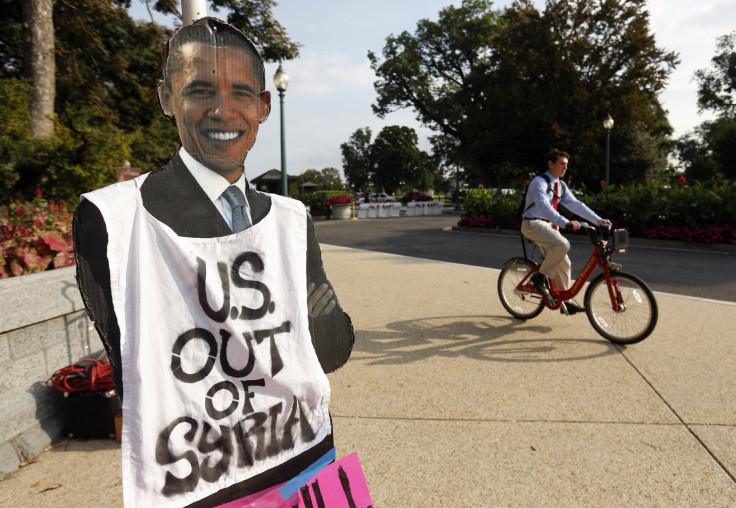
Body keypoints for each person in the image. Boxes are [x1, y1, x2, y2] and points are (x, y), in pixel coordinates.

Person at [73, 17, 354, 507]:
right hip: (203, 484)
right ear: (166, 97)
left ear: (265, 106)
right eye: (200, 90)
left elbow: (332, 348)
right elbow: (140, 380)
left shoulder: (290, 217)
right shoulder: (113, 219)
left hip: (307, 458)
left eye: (243, 93)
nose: (224, 111)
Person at [520, 149, 611, 315]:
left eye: (566, 165)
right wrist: (564, 222)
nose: (565, 168)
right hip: (533, 224)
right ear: (551, 163)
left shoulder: (560, 185)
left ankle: (563, 302)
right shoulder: (539, 182)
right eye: (561, 164)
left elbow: (576, 205)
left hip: (548, 226)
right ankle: (539, 277)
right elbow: (544, 207)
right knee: (562, 244)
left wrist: (598, 220)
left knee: (565, 262)